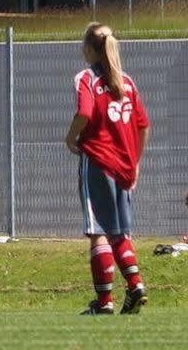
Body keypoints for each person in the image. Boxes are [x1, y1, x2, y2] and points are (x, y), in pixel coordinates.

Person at [64, 23, 152, 315]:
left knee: (98, 231)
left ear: (90, 49)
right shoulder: (127, 81)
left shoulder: (87, 78)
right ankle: (136, 283)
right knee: (119, 232)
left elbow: (85, 113)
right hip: (125, 167)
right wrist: (135, 162)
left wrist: (71, 136)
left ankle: (104, 303)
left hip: (99, 160)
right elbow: (143, 125)